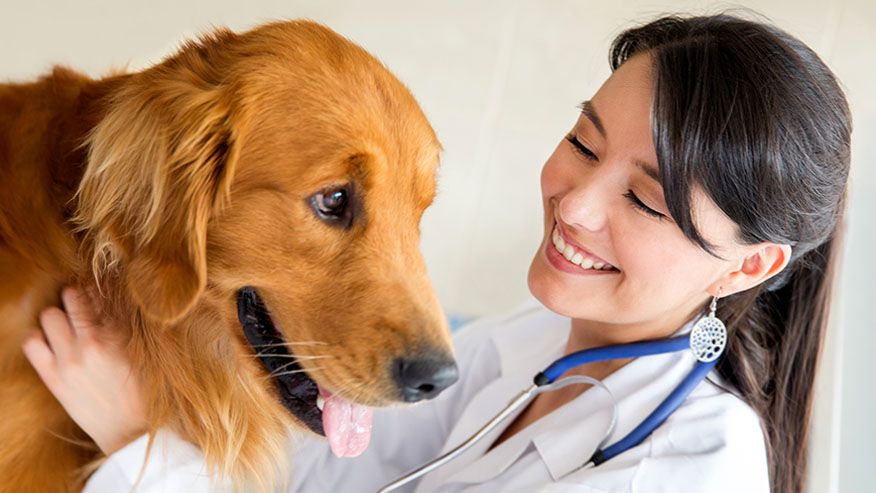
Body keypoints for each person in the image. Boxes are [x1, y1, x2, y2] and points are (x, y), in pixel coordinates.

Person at [22, 13, 851, 493]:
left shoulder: (689, 469)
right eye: (583, 143)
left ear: (750, 266)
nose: (575, 203)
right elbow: (331, 471)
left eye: (644, 199)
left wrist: (139, 445)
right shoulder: (531, 342)